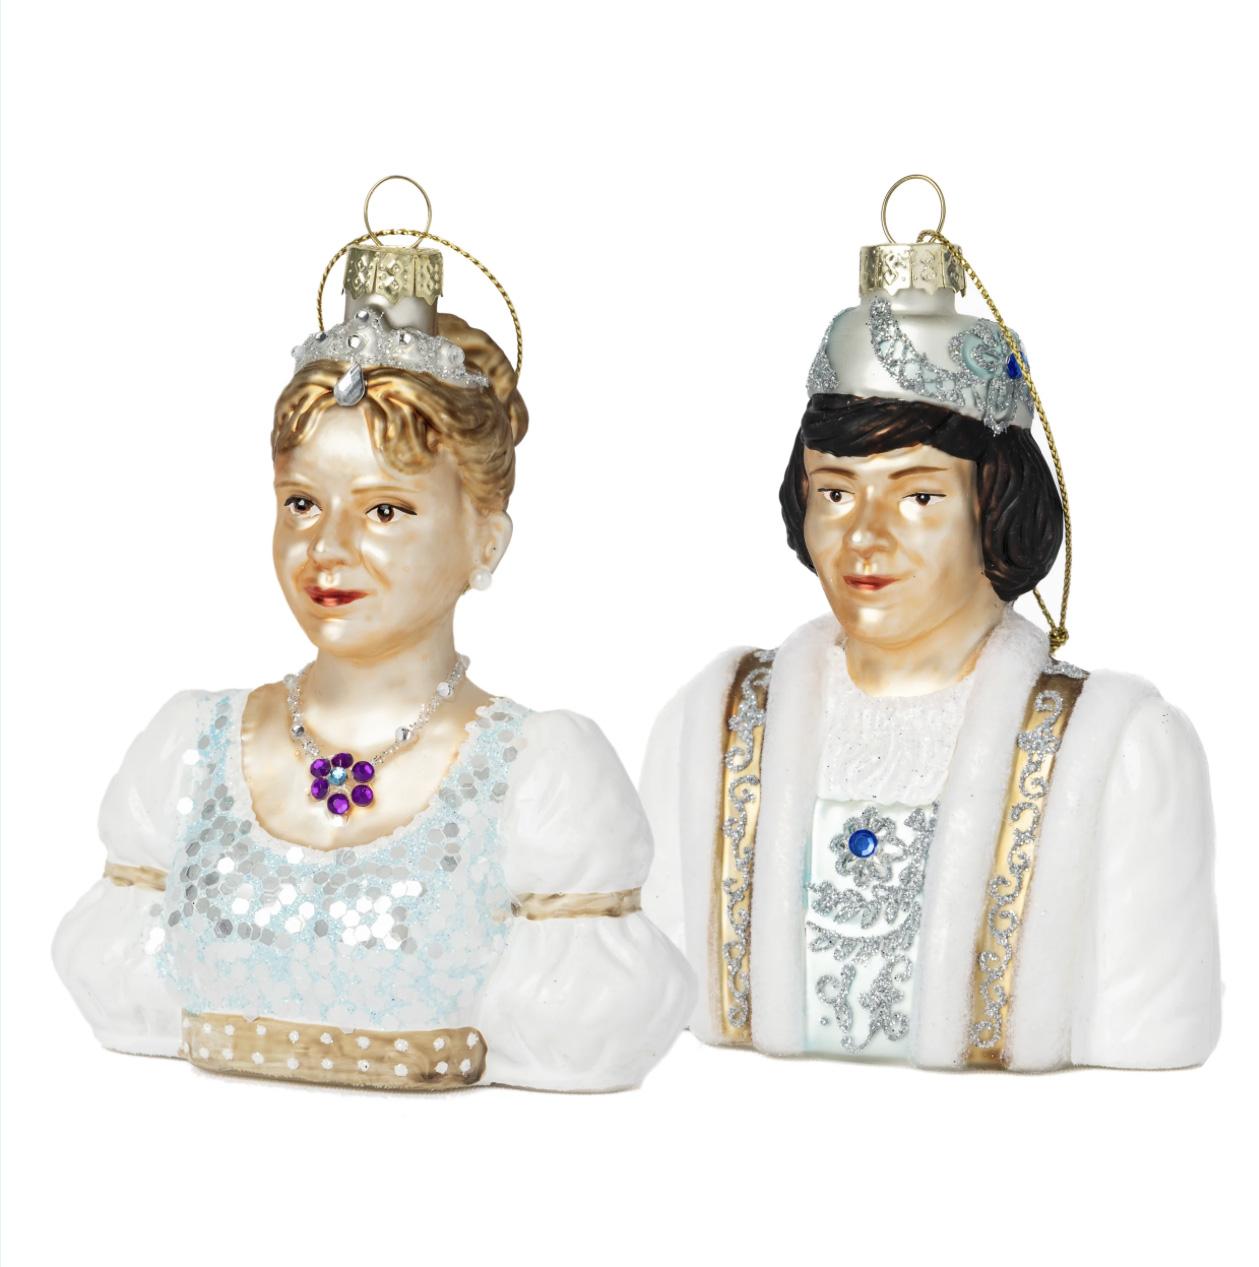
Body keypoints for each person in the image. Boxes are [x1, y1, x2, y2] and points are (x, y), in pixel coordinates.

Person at [53, 187, 694, 1092]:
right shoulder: (190, 748)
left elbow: (594, 1033)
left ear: (485, 540)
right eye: (301, 503)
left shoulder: (538, 773)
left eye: (385, 510)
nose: (328, 547)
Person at [640, 186, 1220, 1071]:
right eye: (835, 492)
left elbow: (1149, 1045)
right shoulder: (710, 727)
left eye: (917, 495)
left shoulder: (1117, 752)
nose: (863, 538)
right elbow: (651, 994)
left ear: (997, 505)